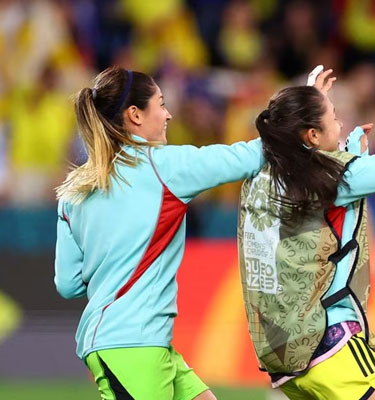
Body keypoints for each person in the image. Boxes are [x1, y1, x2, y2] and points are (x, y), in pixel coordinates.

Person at [238, 53, 375, 399]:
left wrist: (312, 104)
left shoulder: (260, 174)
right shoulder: (328, 175)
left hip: (282, 357)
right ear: (311, 135)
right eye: (333, 118)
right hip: (329, 343)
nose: (340, 125)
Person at [54, 66, 264, 400]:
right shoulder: (162, 166)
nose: (168, 115)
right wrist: (305, 112)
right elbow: (249, 156)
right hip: (135, 346)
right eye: (161, 104)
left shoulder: (74, 192)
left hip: (128, 342)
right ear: (135, 114)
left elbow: (67, 284)